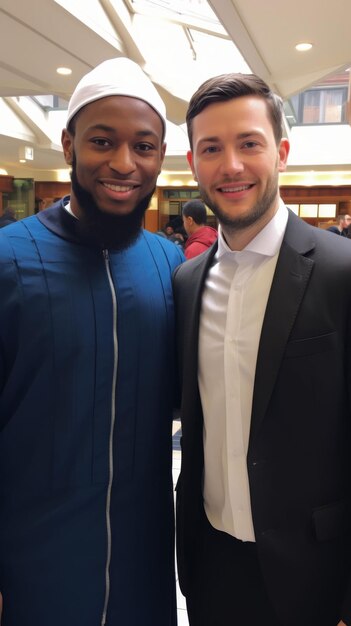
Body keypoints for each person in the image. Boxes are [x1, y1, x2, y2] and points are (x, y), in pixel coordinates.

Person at [0, 57, 184, 626]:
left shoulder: (169, 263)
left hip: (144, 563)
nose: (124, 163)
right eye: (103, 141)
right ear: (69, 145)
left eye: (144, 146)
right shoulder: (8, 260)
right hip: (34, 563)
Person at [173, 72, 351, 626]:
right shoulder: (186, 282)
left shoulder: (342, 273)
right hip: (211, 565)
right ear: (193, 162)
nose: (231, 165)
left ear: (282, 151)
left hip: (316, 574)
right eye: (211, 148)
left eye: (249, 143)